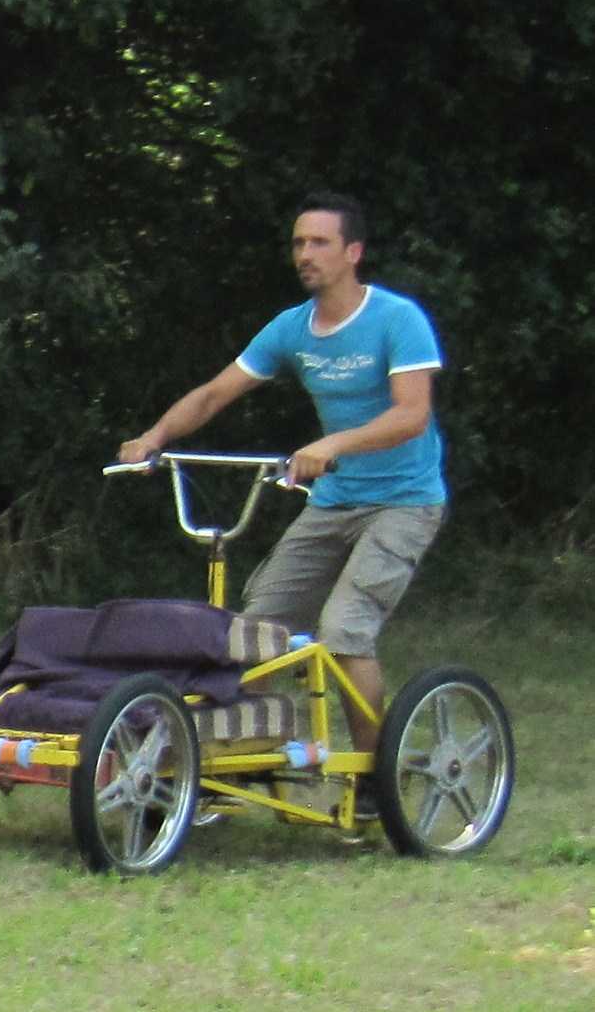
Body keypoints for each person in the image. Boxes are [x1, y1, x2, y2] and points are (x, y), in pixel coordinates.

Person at [116, 193, 445, 743]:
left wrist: (332, 444)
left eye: (319, 243)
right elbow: (215, 393)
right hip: (333, 500)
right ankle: (249, 757)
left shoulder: (397, 319)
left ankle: (372, 775)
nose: (304, 254)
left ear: (353, 252)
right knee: (255, 631)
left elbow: (412, 415)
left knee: (344, 631)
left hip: (403, 502)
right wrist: (155, 437)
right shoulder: (291, 328)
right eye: (298, 243)